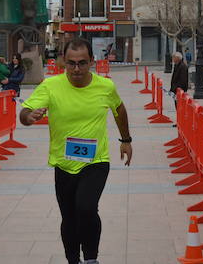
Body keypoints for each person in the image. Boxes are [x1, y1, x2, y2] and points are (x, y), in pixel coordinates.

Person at [19, 37, 132, 264]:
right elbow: (25, 112)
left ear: (91, 61)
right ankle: (73, 260)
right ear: (63, 62)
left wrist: (126, 140)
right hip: (63, 162)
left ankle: (91, 259)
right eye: (71, 63)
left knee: (87, 207)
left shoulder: (105, 86)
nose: (76, 69)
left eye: (82, 63)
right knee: (69, 217)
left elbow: (119, 109)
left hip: (96, 160)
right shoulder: (51, 86)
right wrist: (28, 117)